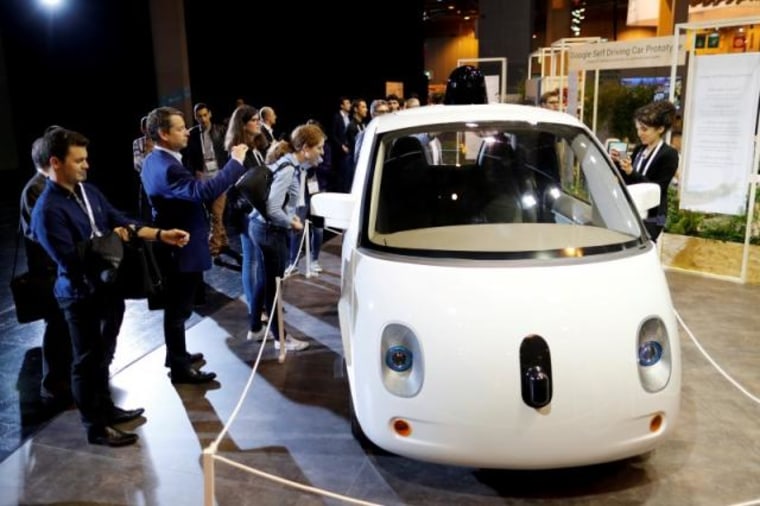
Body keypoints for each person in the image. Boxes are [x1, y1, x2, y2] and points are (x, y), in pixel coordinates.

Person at [31, 127, 190, 447]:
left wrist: (161, 235)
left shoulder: (89, 193)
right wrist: (112, 238)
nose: (86, 166)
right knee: (87, 361)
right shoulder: (47, 210)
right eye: (78, 161)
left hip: (109, 289)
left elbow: (120, 218)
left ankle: (107, 409)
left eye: (86, 159)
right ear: (56, 162)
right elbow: (72, 258)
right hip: (80, 296)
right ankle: (95, 426)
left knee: (104, 355)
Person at [141, 106, 249, 384]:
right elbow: (204, 192)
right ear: (164, 134)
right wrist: (235, 162)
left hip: (178, 245)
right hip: (180, 247)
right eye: (179, 128)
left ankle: (176, 355)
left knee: (179, 309)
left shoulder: (156, 160)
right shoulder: (168, 168)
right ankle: (179, 367)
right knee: (179, 310)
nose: (186, 131)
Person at [249, 124, 325, 351]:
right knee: (273, 286)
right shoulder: (289, 169)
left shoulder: (293, 166)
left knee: (265, 282)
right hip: (269, 231)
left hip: (263, 228)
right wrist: (291, 222)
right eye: (319, 148)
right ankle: (280, 339)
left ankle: (255, 329)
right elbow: (273, 208)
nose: (322, 152)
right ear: (305, 148)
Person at [19, 132, 72, 410]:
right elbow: (46, 231)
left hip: (59, 268)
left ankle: (63, 380)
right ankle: (53, 385)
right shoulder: (36, 188)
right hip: (48, 271)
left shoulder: (52, 184)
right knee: (57, 325)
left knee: (64, 326)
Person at [610, 100, 679, 241]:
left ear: (660, 129)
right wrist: (618, 163)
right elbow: (627, 179)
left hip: (656, 216)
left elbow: (658, 188)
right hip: (633, 209)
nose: (640, 133)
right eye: (638, 128)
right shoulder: (639, 149)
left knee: (644, 244)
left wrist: (631, 172)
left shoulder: (669, 154)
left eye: (644, 129)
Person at [182, 102, 237, 265]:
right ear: (195, 118)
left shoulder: (220, 130)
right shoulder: (191, 134)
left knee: (216, 213)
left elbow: (229, 152)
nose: (203, 119)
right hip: (202, 178)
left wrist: (228, 172)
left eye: (205, 115)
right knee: (210, 214)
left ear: (210, 114)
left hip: (219, 176)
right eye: (199, 116)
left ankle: (213, 249)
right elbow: (187, 157)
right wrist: (194, 172)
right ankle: (224, 241)